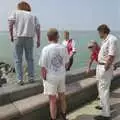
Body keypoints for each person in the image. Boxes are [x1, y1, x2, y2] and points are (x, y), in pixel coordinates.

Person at [39, 28, 69, 120]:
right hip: (61, 76)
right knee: (62, 97)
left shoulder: (45, 49)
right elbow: (67, 64)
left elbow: (43, 66)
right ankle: (63, 117)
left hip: (51, 78)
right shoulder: (63, 48)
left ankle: (53, 118)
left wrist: (44, 78)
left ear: (48, 37)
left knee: (52, 100)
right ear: (58, 37)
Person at [8, 1, 40, 85]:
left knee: (18, 59)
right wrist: (38, 40)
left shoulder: (15, 13)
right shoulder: (33, 15)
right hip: (29, 38)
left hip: (18, 37)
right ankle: (31, 78)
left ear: (19, 6)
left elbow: (10, 24)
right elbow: (38, 28)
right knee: (30, 59)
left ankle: (20, 80)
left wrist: (11, 35)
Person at [95, 24, 119, 120]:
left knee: (104, 90)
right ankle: (102, 105)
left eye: (99, 32)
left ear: (102, 31)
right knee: (101, 88)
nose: (98, 34)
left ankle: (105, 114)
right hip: (100, 66)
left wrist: (106, 67)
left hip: (105, 68)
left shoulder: (111, 39)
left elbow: (111, 55)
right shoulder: (105, 40)